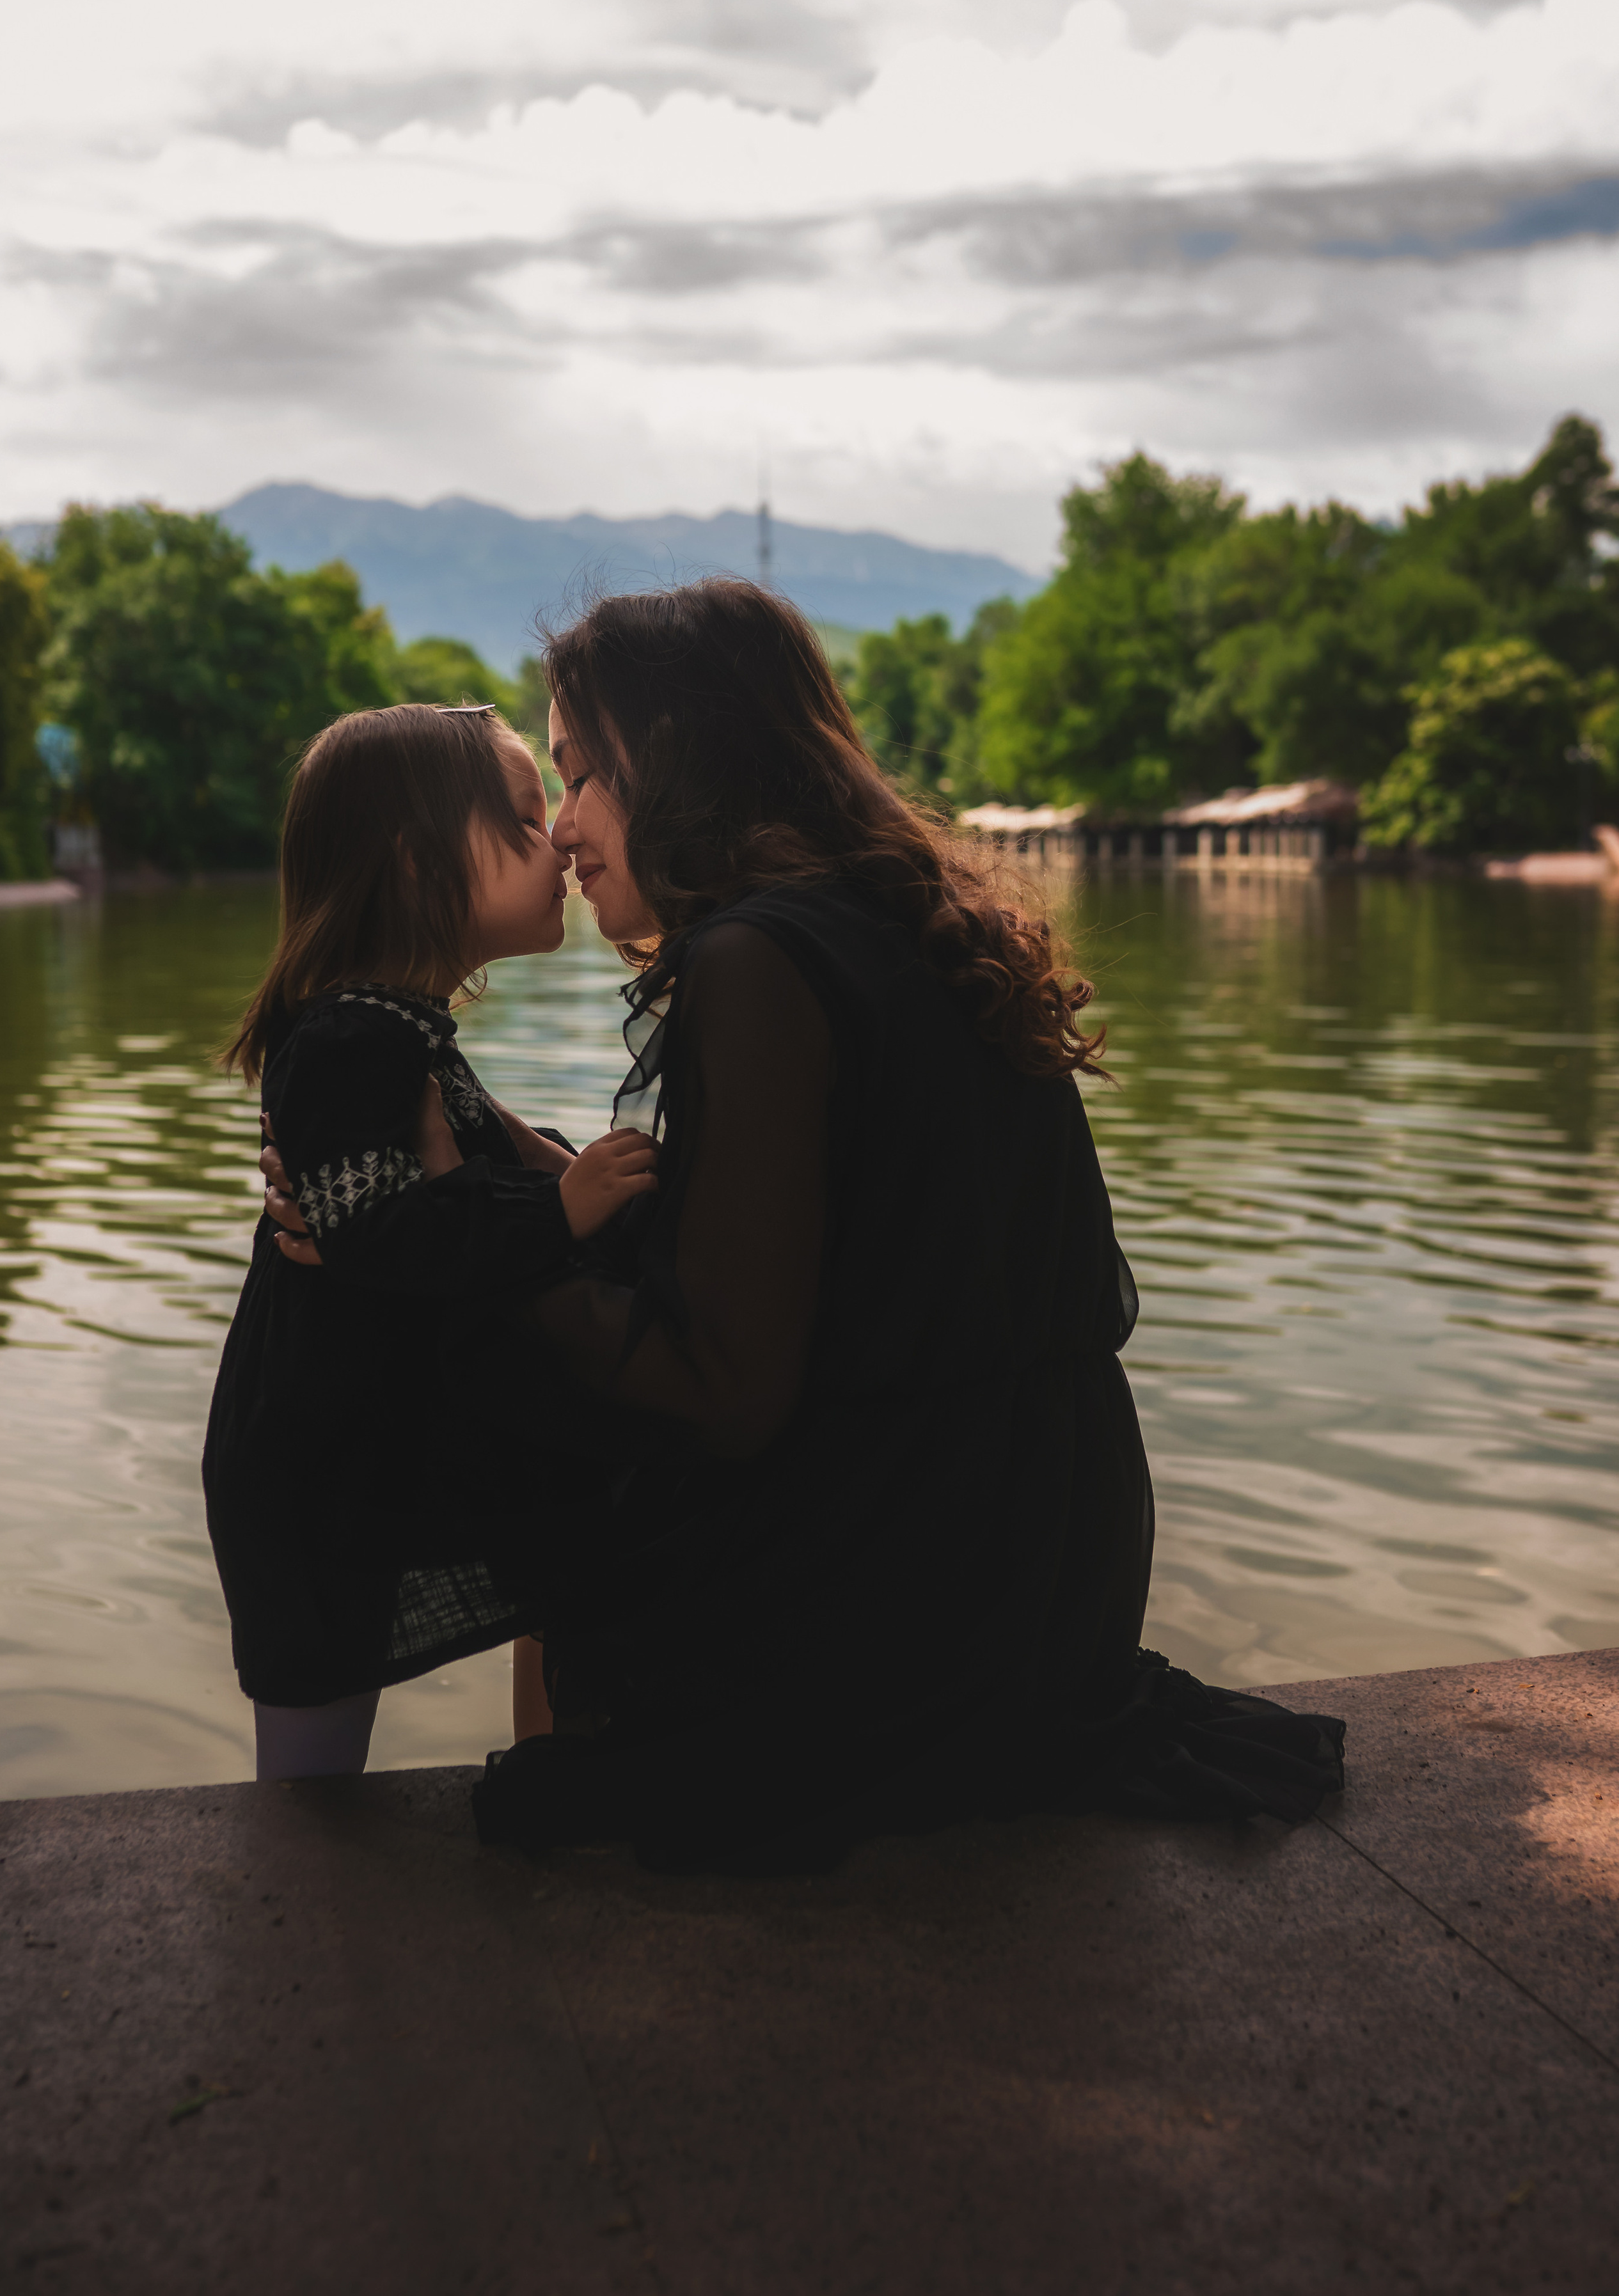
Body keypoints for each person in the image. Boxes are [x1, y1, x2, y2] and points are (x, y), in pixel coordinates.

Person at [264, 585, 1345, 1867]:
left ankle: (447, 1737)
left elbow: (720, 1384)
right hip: (1046, 1553)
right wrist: (521, 1180)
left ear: (668, 762)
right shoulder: (893, 916)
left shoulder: (755, 962)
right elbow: (824, 1252)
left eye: (575, 778)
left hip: (911, 1608)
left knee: (553, 1440)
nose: (559, 833)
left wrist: (474, 1267)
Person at [205, 701, 656, 1782]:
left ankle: (554, 1781)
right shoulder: (347, 1038)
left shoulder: (400, 1028)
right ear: (414, 867)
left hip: (390, 1439)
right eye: (519, 815)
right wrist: (560, 1205)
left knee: (566, 1562)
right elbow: (373, 1236)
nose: (554, 838)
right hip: (328, 1466)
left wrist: (551, 1167)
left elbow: (451, 1178)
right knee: (311, 1770)